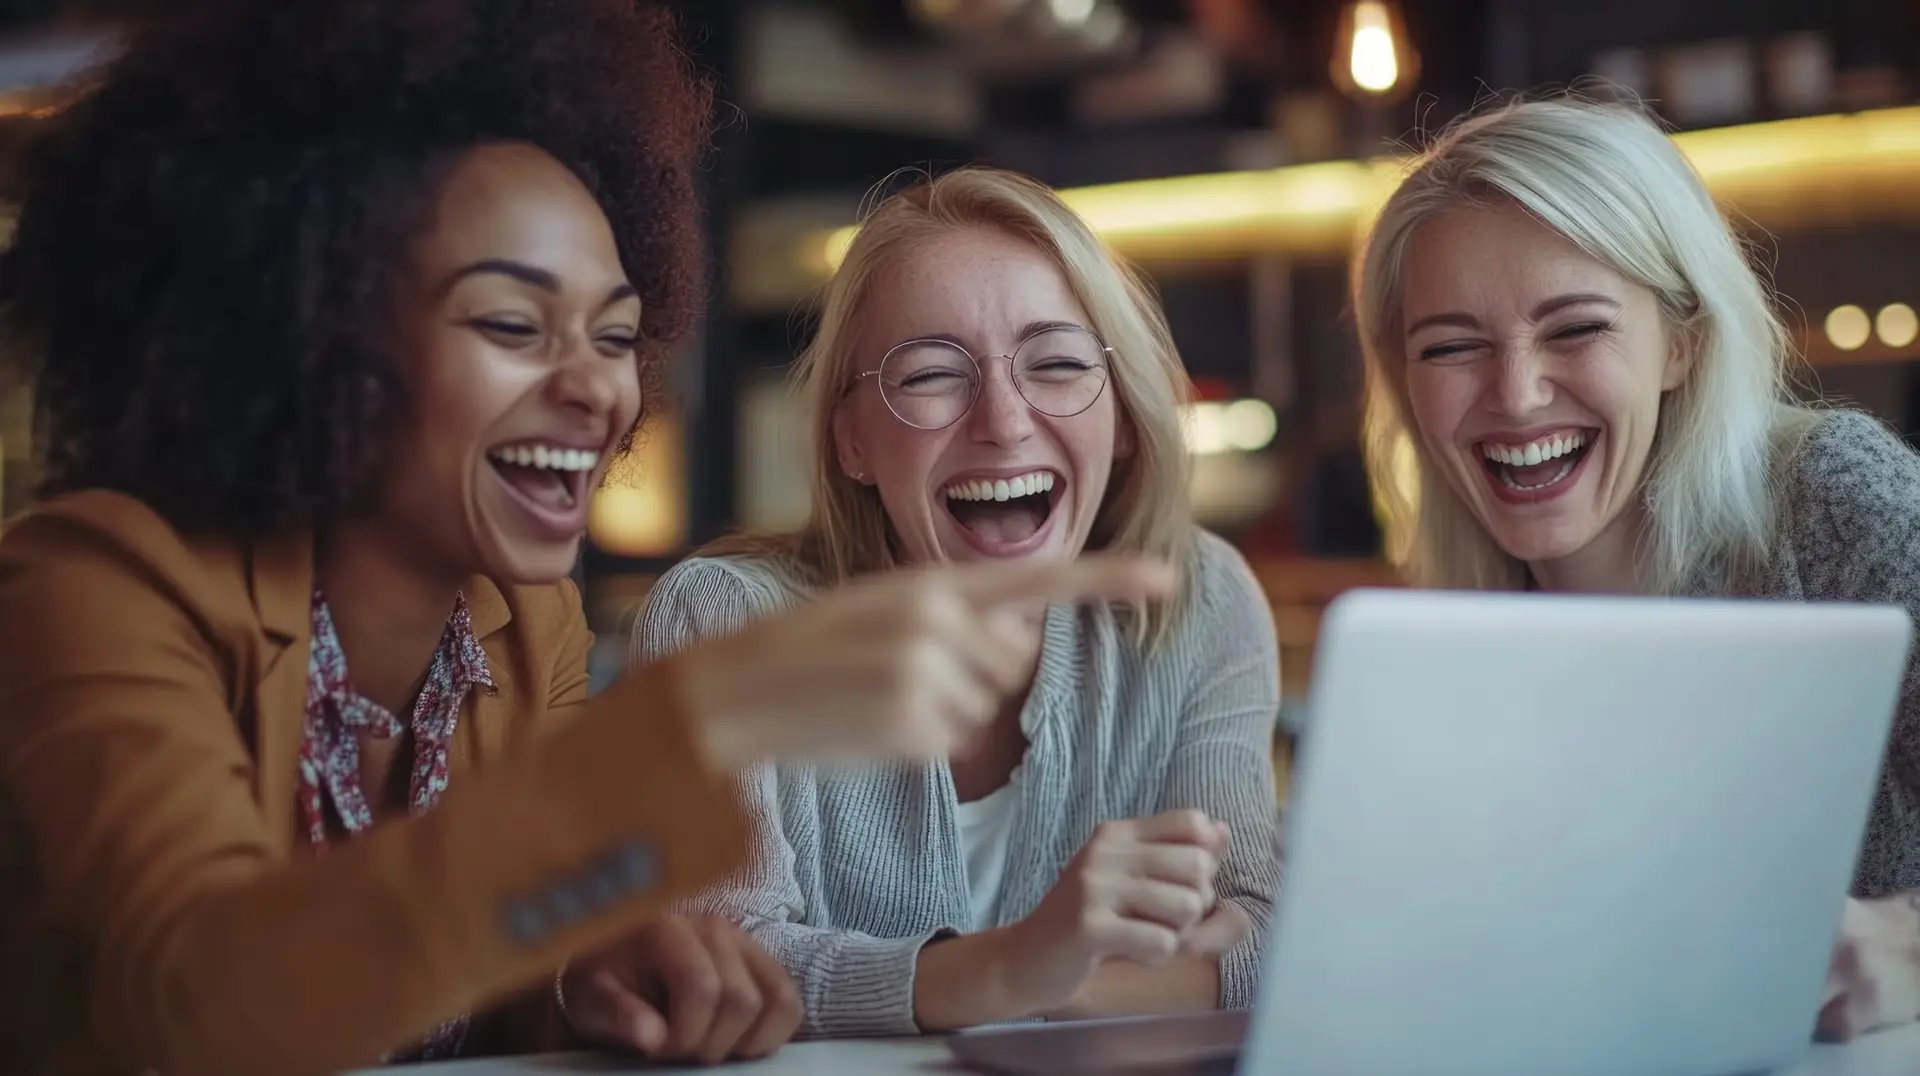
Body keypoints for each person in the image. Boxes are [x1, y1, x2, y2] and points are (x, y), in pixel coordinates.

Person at [0, 4, 1172, 1075]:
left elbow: (520, 927)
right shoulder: (92, 583)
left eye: (614, 336)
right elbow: (197, 1003)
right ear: (313, 330)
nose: (598, 391)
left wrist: (605, 968)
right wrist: (691, 722)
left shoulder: (524, 625)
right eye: (514, 324)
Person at [635, 166, 1283, 1037]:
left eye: (1056, 363)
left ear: (1124, 419)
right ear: (852, 439)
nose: (1005, 421)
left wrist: (1044, 981)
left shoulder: (1198, 602)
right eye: (933, 375)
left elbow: (1262, 939)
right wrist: (1015, 963)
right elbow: (718, 966)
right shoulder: (721, 622)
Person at [1351, 95, 1920, 1041]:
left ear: (1682, 341)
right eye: (1451, 347)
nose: (1517, 394)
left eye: (1575, 329)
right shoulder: (1457, 635)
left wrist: (1907, 944)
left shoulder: (1831, 502)